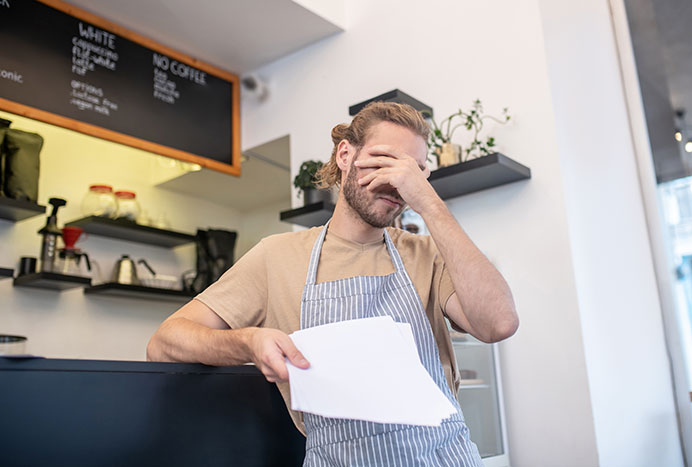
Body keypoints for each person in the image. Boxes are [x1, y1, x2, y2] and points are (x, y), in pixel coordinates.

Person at [147, 101, 519, 466]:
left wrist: (431, 204)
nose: (396, 182)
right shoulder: (276, 256)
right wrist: (247, 341)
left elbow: (498, 323)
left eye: (414, 173)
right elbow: (164, 343)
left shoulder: (427, 254)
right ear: (345, 155)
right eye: (384, 162)